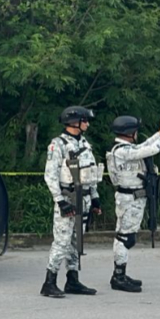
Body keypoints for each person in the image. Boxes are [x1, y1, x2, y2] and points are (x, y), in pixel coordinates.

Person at [106, 116, 160, 292]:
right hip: (129, 199)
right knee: (125, 238)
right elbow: (149, 150)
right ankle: (118, 276)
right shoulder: (121, 151)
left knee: (126, 236)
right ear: (131, 133)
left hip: (133, 198)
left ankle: (120, 274)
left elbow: (143, 147)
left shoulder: (124, 148)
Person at [41, 105, 104, 298]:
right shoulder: (58, 144)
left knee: (77, 241)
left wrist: (95, 198)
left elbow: (90, 172)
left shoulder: (84, 143)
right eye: (84, 120)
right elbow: (50, 176)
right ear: (74, 122)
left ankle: (73, 279)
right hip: (68, 198)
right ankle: (49, 282)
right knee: (62, 241)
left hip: (83, 197)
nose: (87, 124)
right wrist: (60, 200)